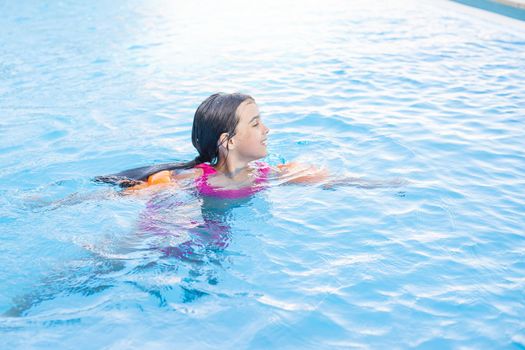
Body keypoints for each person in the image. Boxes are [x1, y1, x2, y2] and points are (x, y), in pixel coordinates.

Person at [96, 92, 329, 198]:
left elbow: (331, 182)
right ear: (228, 141)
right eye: (255, 123)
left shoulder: (265, 173)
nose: (266, 129)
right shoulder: (194, 178)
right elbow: (124, 197)